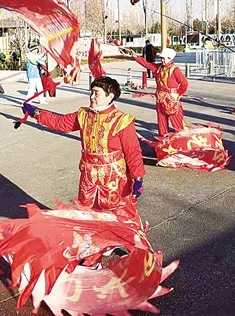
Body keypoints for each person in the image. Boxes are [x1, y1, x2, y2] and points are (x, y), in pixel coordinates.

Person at [22, 76, 145, 221]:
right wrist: (36, 113)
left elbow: (133, 151)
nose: (92, 97)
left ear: (110, 96)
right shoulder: (84, 115)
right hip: (89, 176)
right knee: (89, 214)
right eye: (91, 92)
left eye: (96, 93)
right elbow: (60, 122)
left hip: (114, 177)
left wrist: (138, 177)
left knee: (118, 214)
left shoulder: (122, 120)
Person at [133, 47, 189, 136]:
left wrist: (178, 94)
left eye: (164, 58)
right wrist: (136, 57)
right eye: (161, 58)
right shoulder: (158, 68)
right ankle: (163, 140)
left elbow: (184, 83)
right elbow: (147, 65)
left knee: (177, 122)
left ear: (170, 58)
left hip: (171, 99)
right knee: (161, 121)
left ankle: (182, 141)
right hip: (160, 98)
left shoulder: (175, 70)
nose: (162, 60)